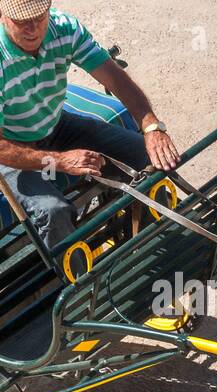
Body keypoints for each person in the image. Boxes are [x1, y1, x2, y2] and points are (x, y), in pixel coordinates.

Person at [0, 0, 180, 249]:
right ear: (2, 16)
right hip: (11, 148)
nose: (32, 29)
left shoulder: (64, 28)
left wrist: (151, 126)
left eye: (39, 18)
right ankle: (73, 282)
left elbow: (115, 77)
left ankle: (158, 243)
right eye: (21, 22)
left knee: (147, 156)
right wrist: (60, 161)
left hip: (55, 124)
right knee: (54, 212)